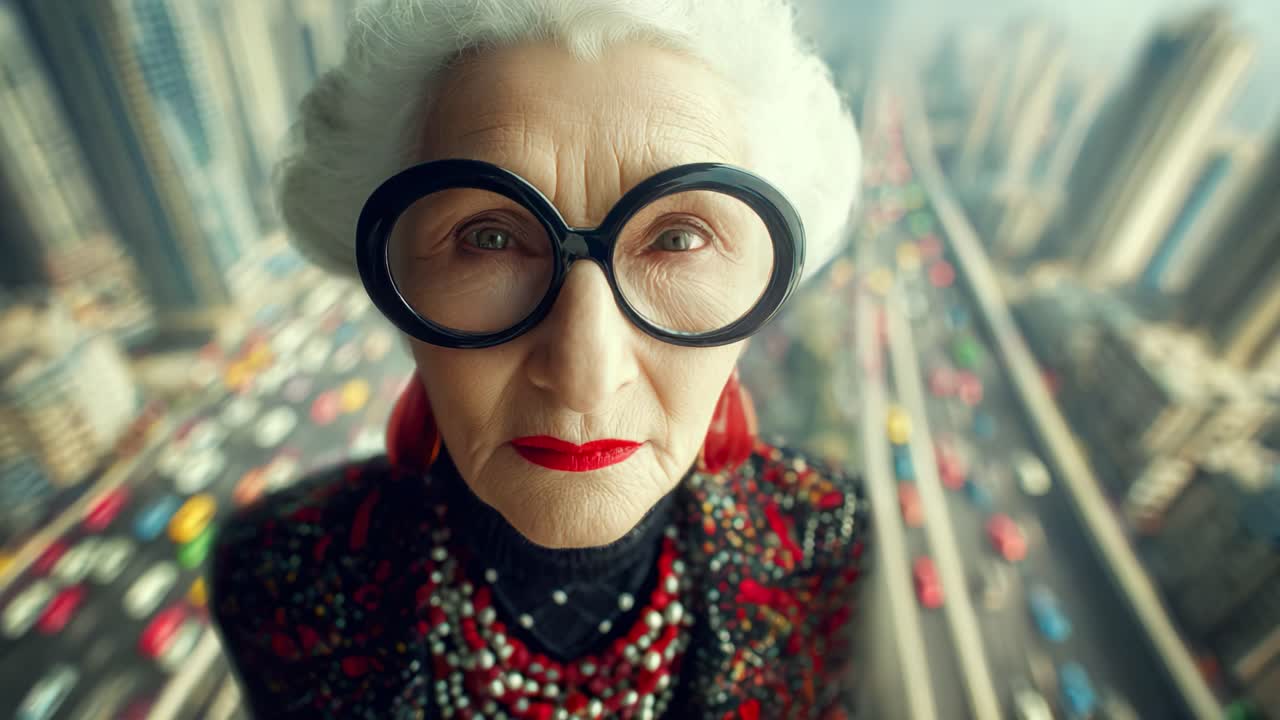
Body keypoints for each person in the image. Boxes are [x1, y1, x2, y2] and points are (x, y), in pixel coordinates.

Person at [209, 0, 869, 717]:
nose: (584, 376)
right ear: (395, 281)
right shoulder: (278, 573)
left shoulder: (831, 543)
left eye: (678, 240)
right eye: (488, 238)